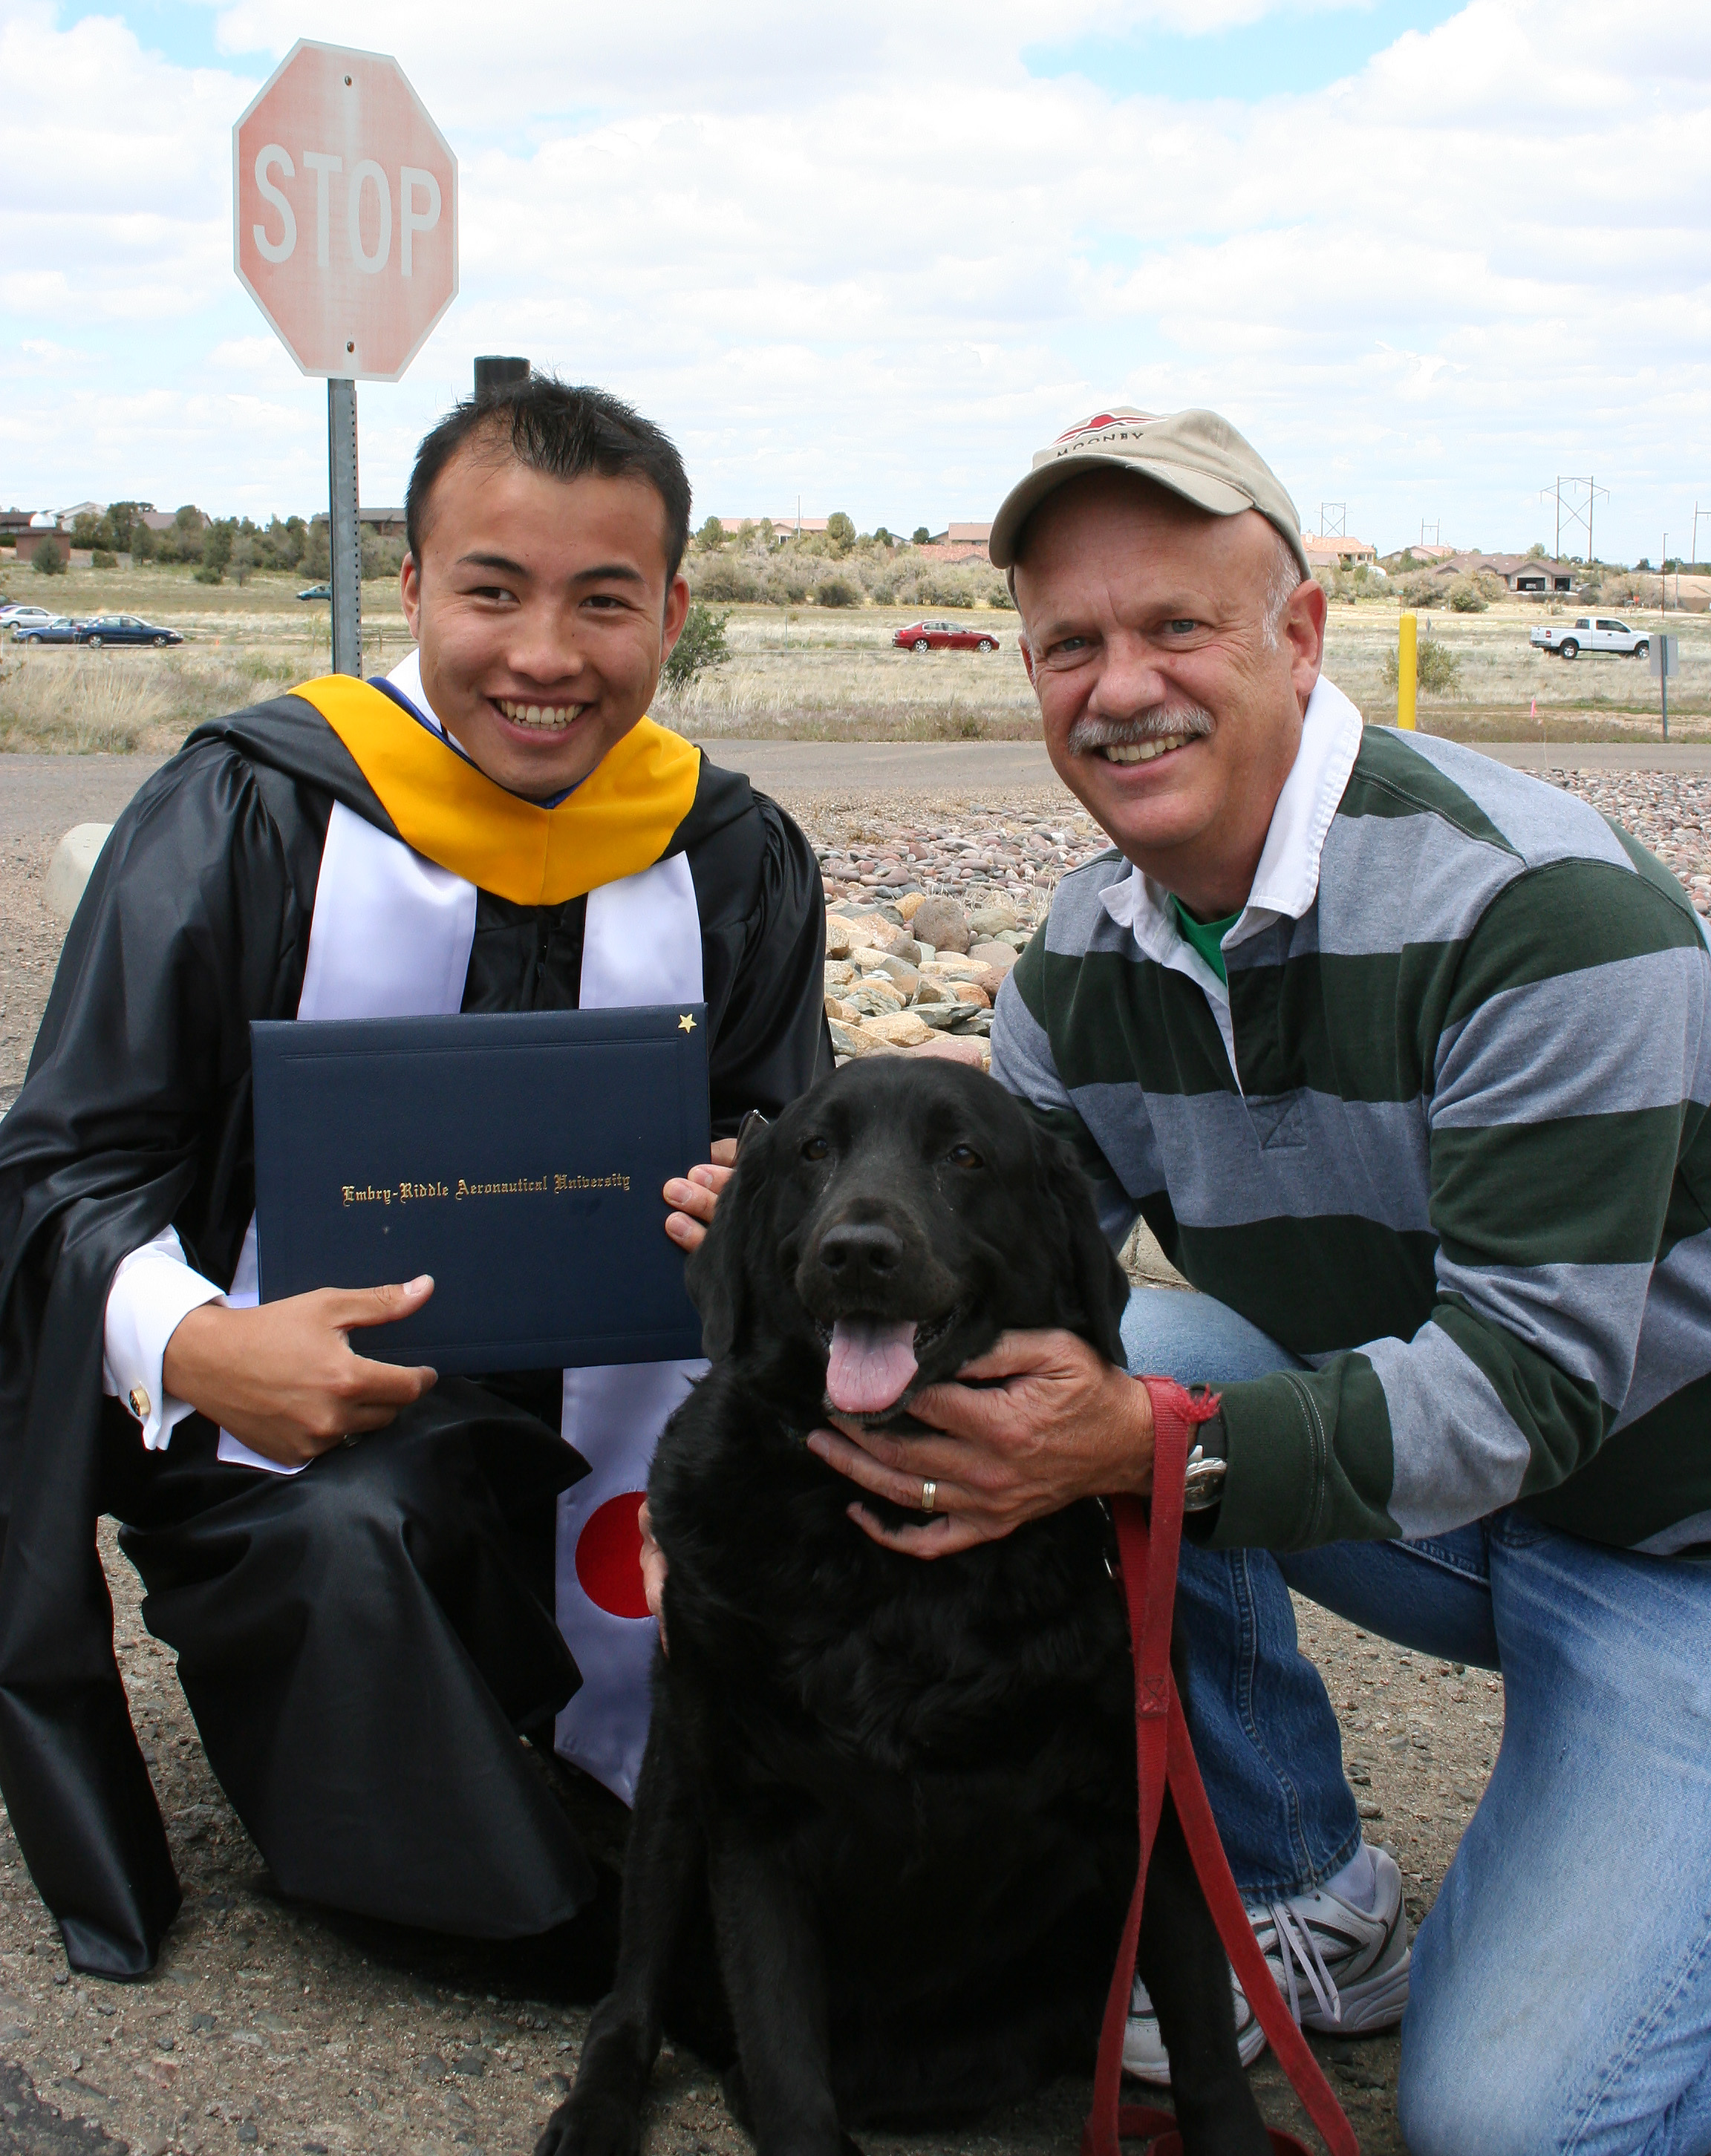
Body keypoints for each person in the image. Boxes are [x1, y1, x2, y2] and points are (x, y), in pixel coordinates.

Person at [789, 408, 1711, 2155]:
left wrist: (1150, 1441)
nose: (1120, 686)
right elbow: (1016, 1284)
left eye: (1175, 629)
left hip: (1676, 1537)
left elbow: (1527, 1387)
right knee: (1114, 1342)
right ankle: (1306, 1894)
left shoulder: (1542, 912)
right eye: (1071, 643)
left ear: (1297, 636)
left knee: (1516, 2125)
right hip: (1477, 1509)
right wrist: (795, 1231)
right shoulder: (1080, 957)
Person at [0, 376, 830, 1979]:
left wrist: (761, 1207)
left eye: (604, 602)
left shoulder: (729, 849)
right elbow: (62, 1165)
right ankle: (529, 1916)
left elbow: (781, 1133)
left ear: (672, 612)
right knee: (348, 1535)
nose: (543, 654)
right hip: (293, 1420)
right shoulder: (250, 807)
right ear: (413, 590)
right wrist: (193, 1346)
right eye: (492, 590)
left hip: (639, 1398)